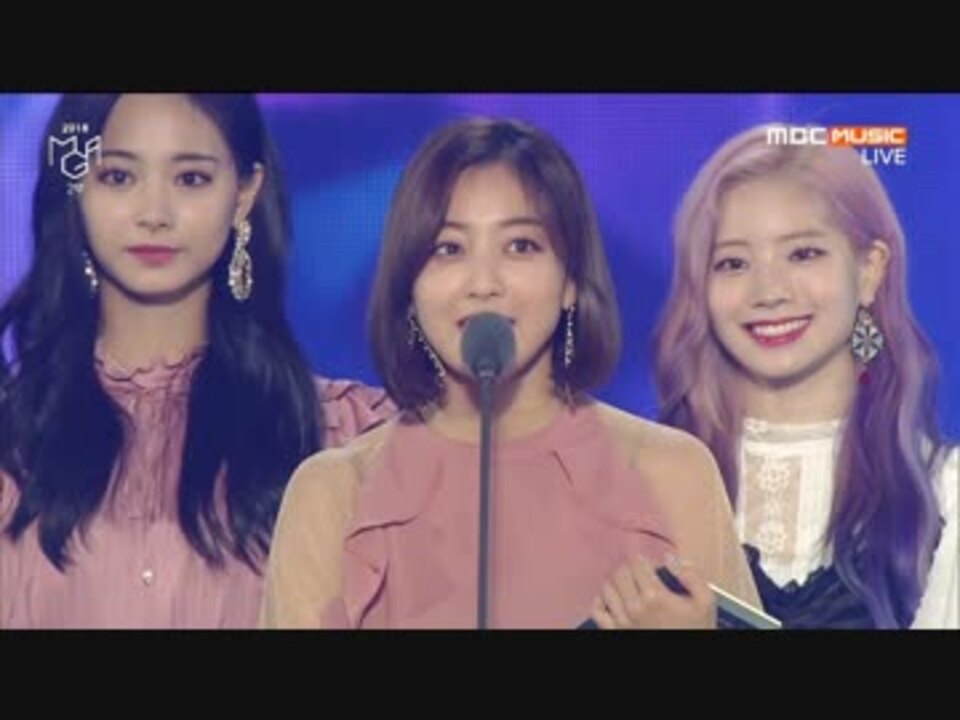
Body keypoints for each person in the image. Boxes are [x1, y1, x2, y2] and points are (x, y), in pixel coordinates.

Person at [261, 117, 758, 629]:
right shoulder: (335, 492)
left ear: (570, 281)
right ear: (409, 286)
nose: (484, 283)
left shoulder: (670, 472)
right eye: (448, 249)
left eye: (520, 246)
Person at [0, 93, 394, 628]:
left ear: (244, 193)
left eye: (190, 179)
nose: (154, 214)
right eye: (118, 177)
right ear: (75, 189)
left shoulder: (343, 439)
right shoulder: (15, 441)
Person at [653, 123, 958, 628]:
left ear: (869, 270)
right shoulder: (643, 483)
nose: (769, 291)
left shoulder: (945, 496)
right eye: (732, 263)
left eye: (803, 254)